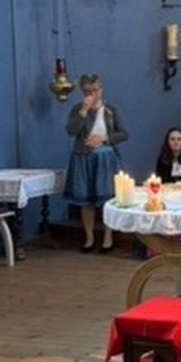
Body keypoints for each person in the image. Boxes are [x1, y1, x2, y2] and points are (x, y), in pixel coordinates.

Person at [63, 73, 127, 253]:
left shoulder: (110, 110)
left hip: (106, 158)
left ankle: (108, 235)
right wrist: (83, 112)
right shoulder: (77, 109)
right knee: (86, 200)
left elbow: (123, 133)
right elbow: (71, 131)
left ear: (101, 89)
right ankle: (89, 237)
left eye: (95, 90)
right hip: (83, 157)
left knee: (108, 199)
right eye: (87, 91)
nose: (92, 94)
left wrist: (104, 138)